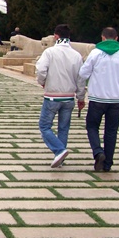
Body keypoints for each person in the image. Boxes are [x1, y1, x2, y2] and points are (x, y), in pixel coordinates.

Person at [79, 27, 119, 172]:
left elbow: (83, 73)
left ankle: (98, 152)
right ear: (116, 38)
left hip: (97, 98)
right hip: (116, 100)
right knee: (111, 131)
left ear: (102, 38)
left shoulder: (95, 54)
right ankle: (108, 164)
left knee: (92, 127)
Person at [35, 24, 86, 168]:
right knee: (63, 128)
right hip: (69, 97)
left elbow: (41, 70)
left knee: (44, 126)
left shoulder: (50, 52)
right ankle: (60, 158)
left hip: (52, 96)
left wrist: (42, 82)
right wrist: (81, 97)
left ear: (56, 36)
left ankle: (59, 150)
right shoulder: (76, 55)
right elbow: (81, 79)